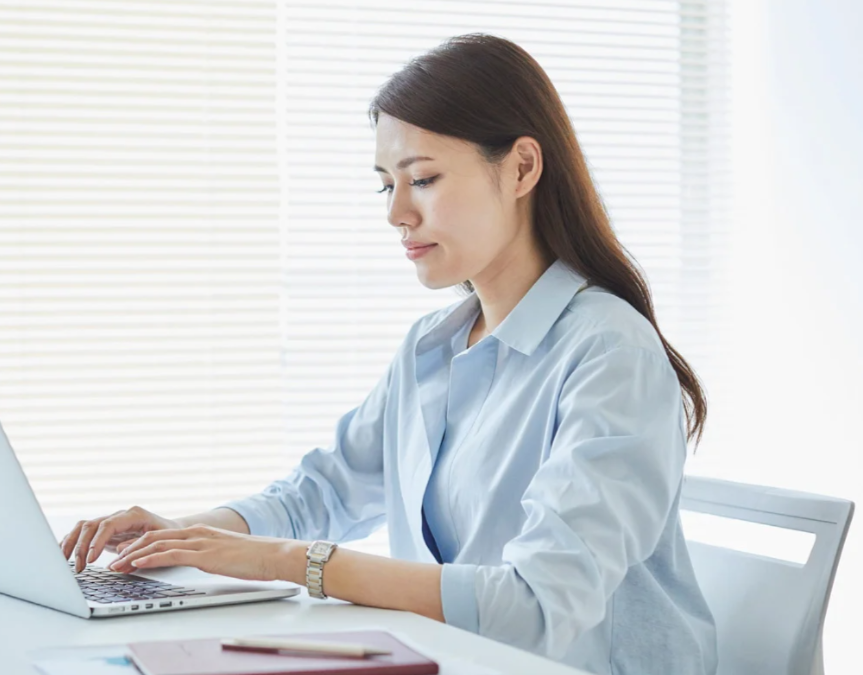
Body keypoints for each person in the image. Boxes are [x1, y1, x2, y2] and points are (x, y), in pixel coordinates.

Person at [58, 33, 718, 675]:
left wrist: (287, 561)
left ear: (521, 167)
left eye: (423, 179)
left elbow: (536, 607)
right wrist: (178, 536)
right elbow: (325, 489)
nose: (397, 212)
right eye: (386, 185)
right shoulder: (432, 347)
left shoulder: (609, 353)